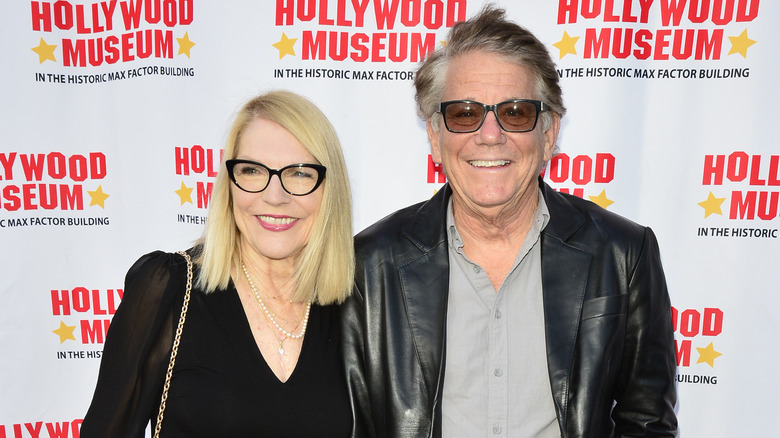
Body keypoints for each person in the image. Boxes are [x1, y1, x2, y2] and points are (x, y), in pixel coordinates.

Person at [342, 6, 678, 438]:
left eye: (515, 112)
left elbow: (646, 423)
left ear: (549, 133)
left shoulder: (623, 254)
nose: (489, 134)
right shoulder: (370, 265)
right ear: (434, 137)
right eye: (465, 113)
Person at [81, 90, 355, 437]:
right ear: (229, 183)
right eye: (253, 170)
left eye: (300, 174)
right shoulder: (169, 289)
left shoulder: (359, 307)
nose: (274, 195)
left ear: (330, 189)